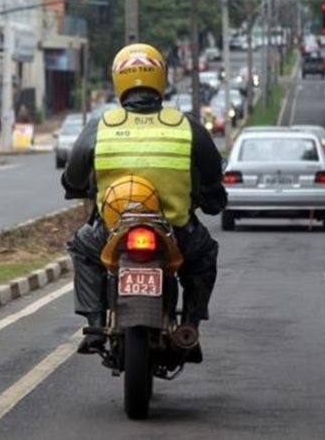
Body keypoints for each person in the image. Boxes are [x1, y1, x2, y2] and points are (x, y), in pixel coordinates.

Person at [61, 43, 227, 355]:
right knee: (204, 256)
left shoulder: (101, 126)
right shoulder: (187, 126)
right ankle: (190, 325)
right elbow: (212, 175)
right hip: (175, 232)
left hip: (112, 231)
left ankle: (95, 323)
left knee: (82, 248)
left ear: (118, 80)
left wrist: (74, 186)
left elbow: (73, 176)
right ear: (161, 78)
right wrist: (212, 198)